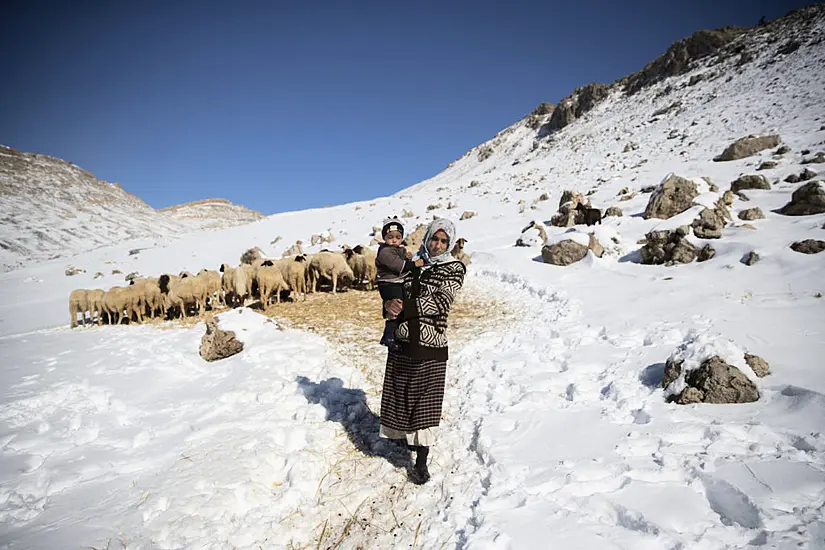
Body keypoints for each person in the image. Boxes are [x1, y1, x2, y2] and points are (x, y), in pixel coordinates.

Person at [378, 218, 466, 484]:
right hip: (403, 341)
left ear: (450, 244)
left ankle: (421, 462)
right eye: (434, 239)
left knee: (424, 404)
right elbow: (394, 294)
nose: (437, 245)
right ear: (427, 238)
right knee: (401, 394)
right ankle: (403, 440)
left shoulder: (454, 268)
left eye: (443, 241)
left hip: (430, 344)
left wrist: (405, 308)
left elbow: (440, 302)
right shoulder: (414, 264)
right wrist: (389, 307)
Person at [375, 217, 423, 351]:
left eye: (398, 236)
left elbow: (400, 257)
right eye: (390, 237)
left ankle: (395, 336)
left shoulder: (396, 249)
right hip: (389, 284)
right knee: (395, 308)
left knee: (400, 308)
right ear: (384, 237)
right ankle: (389, 337)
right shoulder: (385, 252)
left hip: (396, 282)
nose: (394, 240)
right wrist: (414, 264)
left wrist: (406, 256)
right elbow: (398, 266)